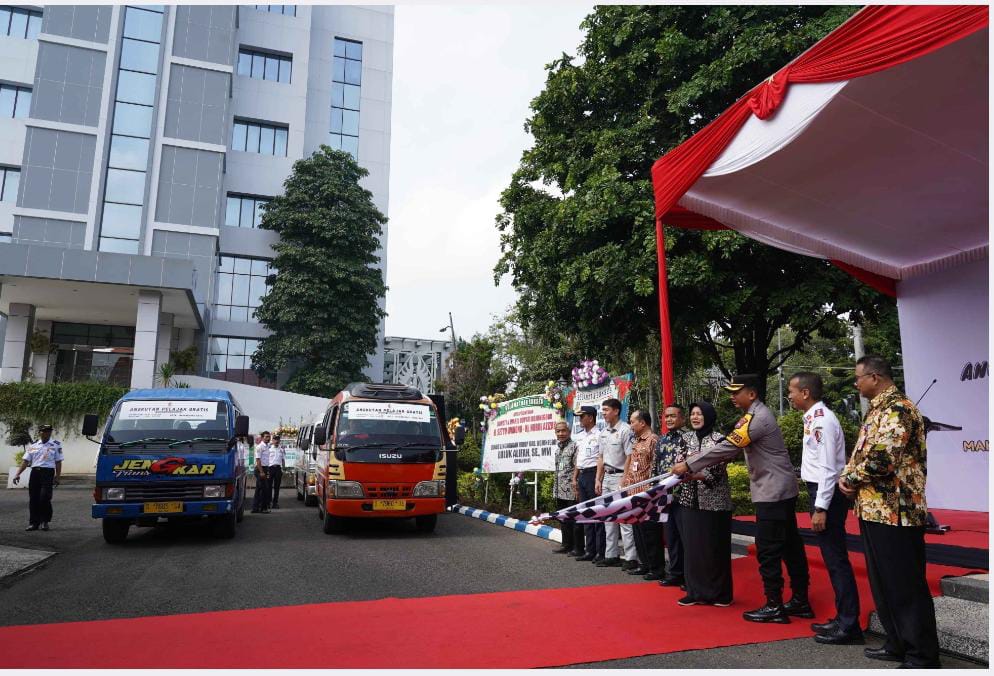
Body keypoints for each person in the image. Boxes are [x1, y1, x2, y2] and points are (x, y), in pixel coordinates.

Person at [673, 374, 809, 624]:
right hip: (777, 490)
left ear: (752, 394)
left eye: (737, 392)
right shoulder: (751, 416)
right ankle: (800, 601)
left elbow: (728, 447)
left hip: (773, 492)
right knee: (790, 545)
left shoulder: (757, 419)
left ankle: (774, 605)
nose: (732, 397)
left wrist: (689, 464)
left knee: (768, 549)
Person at [839, 356, 938, 668]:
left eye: (859, 377)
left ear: (875, 377)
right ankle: (897, 643)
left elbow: (884, 459)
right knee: (883, 583)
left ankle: (921, 655)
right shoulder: (877, 409)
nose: (856, 383)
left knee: (905, 584)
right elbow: (864, 454)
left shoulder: (898, 408)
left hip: (898, 510)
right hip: (874, 509)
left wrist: (851, 478)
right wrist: (849, 476)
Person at [788, 371, 863, 645]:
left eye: (791, 391)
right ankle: (843, 618)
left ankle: (849, 625)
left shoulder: (822, 421)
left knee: (836, 560)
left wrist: (820, 507)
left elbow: (830, 468)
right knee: (832, 560)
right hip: (820, 491)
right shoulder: (812, 418)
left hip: (825, 494)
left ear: (805, 393)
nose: (789, 396)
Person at [675, 402, 733, 606]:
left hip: (715, 502)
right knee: (692, 548)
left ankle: (720, 594)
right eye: (692, 414)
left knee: (715, 547)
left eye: (699, 414)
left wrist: (695, 474)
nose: (695, 417)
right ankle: (695, 592)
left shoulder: (720, 439)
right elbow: (678, 461)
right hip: (689, 500)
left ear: (708, 416)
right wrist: (683, 472)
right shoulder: (685, 438)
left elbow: (717, 469)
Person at [595, 398, 634, 569]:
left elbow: (629, 456)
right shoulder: (603, 432)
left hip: (620, 477)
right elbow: (600, 457)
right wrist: (598, 479)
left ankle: (631, 558)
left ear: (616, 411)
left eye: (606, 410)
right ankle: (611, 555)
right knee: (608, 517)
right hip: (607, 478)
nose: (603, 413)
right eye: (602, 410)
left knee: (624, 518)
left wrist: (625, 478)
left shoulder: (626, 430)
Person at [624, 409, 663, 580]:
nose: (631, 425)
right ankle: (644, 564)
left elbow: (657, 468)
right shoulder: (637, 441)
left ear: (642, 422)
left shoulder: (653, 440)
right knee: (638, 532)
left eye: (632, 421)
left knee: (650, 533)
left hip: (648, 495)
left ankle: (656, 568)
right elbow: (633, 466)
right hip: (634, 494)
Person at [657, 404, 689, 587]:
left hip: (683, 494)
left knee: (686, 537)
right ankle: (675, 573)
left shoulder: (688, 438)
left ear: (682, 418)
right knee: (671, 536)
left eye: (673, 416)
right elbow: (656, 467)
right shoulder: (662, 440)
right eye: (666, 416)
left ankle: (688, 575)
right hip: (665, 495)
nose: (669, 419)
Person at [12, 424, 63, 531]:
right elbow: (26, 461)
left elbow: (58, 462)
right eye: (45, 431)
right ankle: (34, 523)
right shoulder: (33, 445)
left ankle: (45, 521)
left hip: (48, 473)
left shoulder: (56, 445)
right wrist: (17, 474)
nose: (47, 433)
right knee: (33, 498)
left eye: (49, 431)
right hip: (35, 473)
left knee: (44, 497)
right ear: (40, 432)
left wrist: (57, 477)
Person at [572, 406, 603, 563]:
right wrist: (575, 478)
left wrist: (598, 478)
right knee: (586, 513)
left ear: (590, 417)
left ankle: (599, 551)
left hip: (593, 474)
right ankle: (589, 550)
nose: (579, 419)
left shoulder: (599, 435)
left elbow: (601, 459)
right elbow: (579, 460)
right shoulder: (580, 436)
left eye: (582, 416)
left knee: (596, 513)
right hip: (583, 475)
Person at [552, 420, 583, 555]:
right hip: (559, 490)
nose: (561, 433)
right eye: (558, 431)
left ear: (569, 432)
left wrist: (575, 484)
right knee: (563, 518)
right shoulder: (558, 448)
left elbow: (578, 466)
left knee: (574, 519)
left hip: (571, 489)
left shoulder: (574, 446)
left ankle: (577, 547)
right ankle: (566, 545)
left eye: (563, 431)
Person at [251, 431, 273, 513]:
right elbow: (258, 460)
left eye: (269, 436)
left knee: (259, 489)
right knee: (264, 489)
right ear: (262, 437)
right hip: (260, 469)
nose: (268, 438)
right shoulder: (260, 447)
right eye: (266, 436)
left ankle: (255, 508)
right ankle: (263, 508)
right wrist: (261, 472)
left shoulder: (267, 446)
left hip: (265, 468)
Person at [268, 434, 285, 509]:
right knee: (269, 486)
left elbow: (283, 460)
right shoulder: (269, 449)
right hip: (270, 469)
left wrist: (283, 469)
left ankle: (275, 503)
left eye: (278, 439)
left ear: (279, 440)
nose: (276, 441)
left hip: (278, 469)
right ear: (272, 440)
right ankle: (268, 502)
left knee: (277, 487)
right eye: (275, 439)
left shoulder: (281, 449)